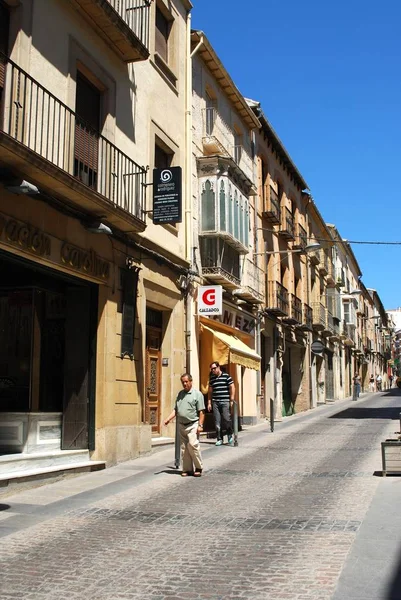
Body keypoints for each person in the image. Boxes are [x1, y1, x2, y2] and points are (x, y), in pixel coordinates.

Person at [164, 373, 205, 477]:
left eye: (186, 381)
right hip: (182, 424)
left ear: (191, 381)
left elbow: (201, 412)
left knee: (193, 445)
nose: (184, 384)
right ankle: (187, 469)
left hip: (193, 424)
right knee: (184, 448)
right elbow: (176, 409)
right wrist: (168, 419)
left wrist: (200, 425)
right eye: (183, 382)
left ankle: (199, 467)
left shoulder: (197, 394)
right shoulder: (180, 394)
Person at [207, 361, 235, 446]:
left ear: (218, 367)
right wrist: (209, 402)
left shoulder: (226, 376)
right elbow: (210, 391)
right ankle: (219, 439)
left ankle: (230, 435)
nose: (213, 370)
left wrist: (232, 399)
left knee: (227, 419)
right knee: (217, 421)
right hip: (215, 402)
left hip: (225, 401)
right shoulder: (212, 378)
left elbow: (232, 387)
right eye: (212, 369)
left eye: (214, 368)